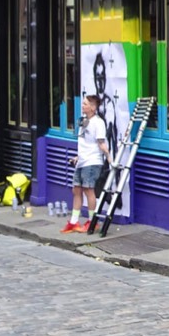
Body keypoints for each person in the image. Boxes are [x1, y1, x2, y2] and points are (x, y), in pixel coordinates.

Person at [64, 94, 111, 233]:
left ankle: (92, 221)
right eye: (83, 103)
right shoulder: (83, 121)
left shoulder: (98, 122)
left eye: (85, 104)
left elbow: (101, 143)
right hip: (82, 160)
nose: (82, 106)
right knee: (76, 190)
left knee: (88, 190)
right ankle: (73, 222)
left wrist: (109, 159)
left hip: (92, 161)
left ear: (93, 107)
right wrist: (77, 156)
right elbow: (85, 141)